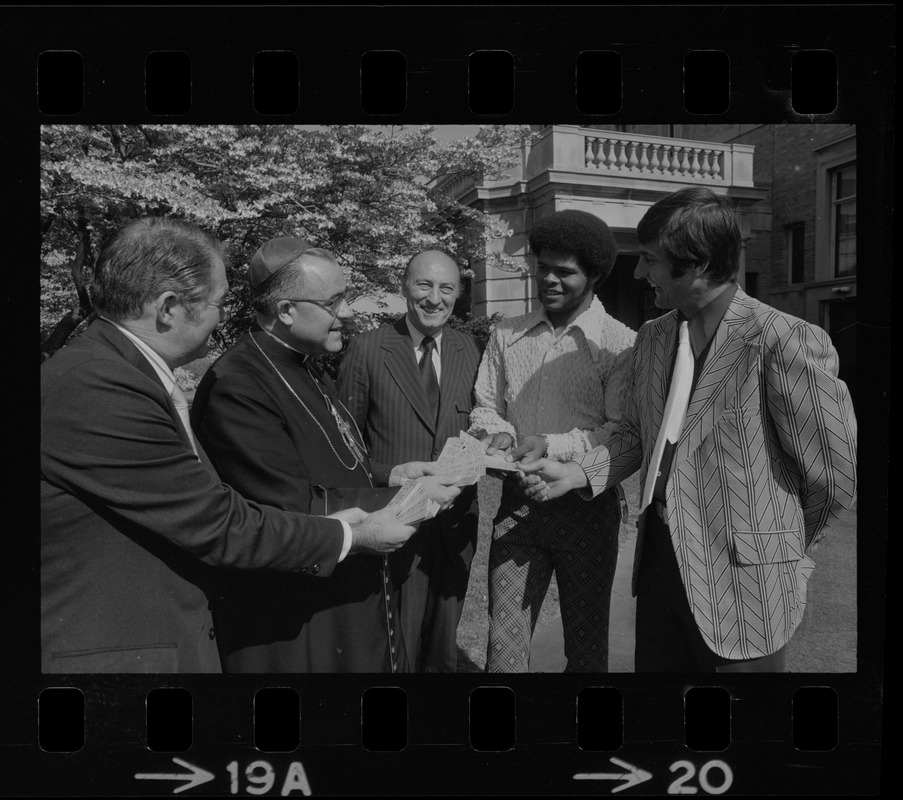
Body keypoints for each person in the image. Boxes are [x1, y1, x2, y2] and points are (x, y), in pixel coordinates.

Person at [41, 218, 419, 674]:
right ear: (168, 307)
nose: (224, 319)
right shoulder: (97, 386)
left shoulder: (114, 371)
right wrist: (353, 535)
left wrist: (391, 476)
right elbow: (218, 523)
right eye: (219, 304)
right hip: (119, 655)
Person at [519, 187, 858, 672]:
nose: (638, 272)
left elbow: (833, 473)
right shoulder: (655, 336)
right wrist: (575, 474)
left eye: (651, 260)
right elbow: (638, 435)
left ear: (697, 263)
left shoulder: (782, 340)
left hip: (747, 587)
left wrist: (790, 555)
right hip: (658, 569)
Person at [191, 238, 461, 673]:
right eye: (334, 301)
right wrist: (409, 498)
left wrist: (391, 475)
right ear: (285, 310)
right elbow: (287, 507)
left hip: (344, 595)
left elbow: (334, 459)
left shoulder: (304, 362)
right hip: (298, 622)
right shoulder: (238, 384)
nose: (349, 312)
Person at [468, 210, 636, 673]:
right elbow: (484, 403)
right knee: (502, 648)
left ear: (596, 275)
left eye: (565, 271)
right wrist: (496, 430)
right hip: (517, 509)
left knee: (585, 649)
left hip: (587, 510)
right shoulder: (507, 335)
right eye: (543, 267)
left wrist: (551, 444)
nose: (549, 279)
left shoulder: (621, 345)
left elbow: (621, 430)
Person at [337, 250, 481, 672]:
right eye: (424, 285)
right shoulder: (368, 349)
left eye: (446, 288)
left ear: (458, 294)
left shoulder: (468, 349)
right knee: (393, 646)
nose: (434, 298)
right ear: (404, 286)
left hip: (456, 525)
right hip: (394, 519)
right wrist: (389, 477)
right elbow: (346, 448)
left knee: (442, 649)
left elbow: (481, 422)